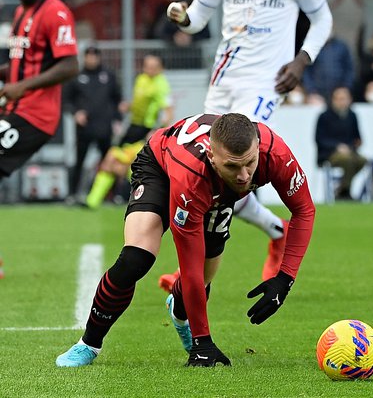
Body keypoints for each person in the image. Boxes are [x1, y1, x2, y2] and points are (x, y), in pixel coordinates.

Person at [56, 113, 316, 367]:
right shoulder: (192, 175)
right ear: (213, 157)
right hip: (161, 167)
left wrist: (285, 279)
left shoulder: (276, 153)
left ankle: (179, 314)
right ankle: (88, 343)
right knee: (137, 258)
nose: (244, 176)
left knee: (204, 276)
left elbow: (304, 210)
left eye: (250, 163)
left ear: (258, 147)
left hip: (216, 190)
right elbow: (188, 263)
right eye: (232, 166)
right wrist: (203, 342)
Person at [163, 0, 332, 284]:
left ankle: (194, 271)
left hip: (266, 83)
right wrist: (182, 17)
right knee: (214, 169)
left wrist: (301, 61)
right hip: (224, 78)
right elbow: (197, 19)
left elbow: (322, 18)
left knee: (232, 173)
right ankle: (275, 230)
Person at [0, 0, 78, 180]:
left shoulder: (55, 12)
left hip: (34, 115)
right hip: (13, 110)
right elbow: (22, 66)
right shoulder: (20, 13)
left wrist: (22, 86)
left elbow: (70, 65)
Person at [84, 54, 173, 209]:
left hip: (146, 131)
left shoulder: (162, 85)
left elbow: (168, 112)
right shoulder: (141, 79)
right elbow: (140, 103)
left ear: (161, 69)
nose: (149, 69)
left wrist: (157, 130)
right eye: (147, 66)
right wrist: (129, 106)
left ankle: (134, 197)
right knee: (112, 161)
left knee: (122, 163)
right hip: (132, 128)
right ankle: (93, 201)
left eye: (154, 66)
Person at [62, 45, 123, 200]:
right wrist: (76, 113)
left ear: (99, 57)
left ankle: (115, 195)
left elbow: (117, 99)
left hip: (104, 127)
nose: (91, 59)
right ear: (84, 58)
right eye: (88, 56)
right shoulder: (76, 76)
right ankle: (73, 194)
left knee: (109, 162)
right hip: (84, 128)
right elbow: (66, 100)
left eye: (94, 56)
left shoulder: (108, 75)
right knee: (79, 161)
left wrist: (117, 119)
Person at [315, 87, 367, 201]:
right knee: (347, 160)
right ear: (333, 100)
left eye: (344, 99)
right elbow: (319, 139)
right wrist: (337, 147)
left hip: (349, 152)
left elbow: (357, 138)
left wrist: (353, 146)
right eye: (339, 99)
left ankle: (342, 190)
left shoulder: (352, 115)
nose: (342, 102)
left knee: (362, 160)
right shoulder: (324, 116)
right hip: (328, 154)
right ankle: (345, 192)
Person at [302, 33, 355, 106]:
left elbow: (349, 69)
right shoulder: (313, 47)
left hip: (340, 93)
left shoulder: (342, 46)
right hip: (318, 95)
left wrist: (345, 88)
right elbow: (306, 71)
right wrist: (312, 92)